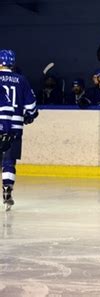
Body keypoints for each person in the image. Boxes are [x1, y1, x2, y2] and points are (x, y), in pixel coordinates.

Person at [0, 49, 38, 211]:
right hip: (15, 125)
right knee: (9, 160)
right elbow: (31, 106)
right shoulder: (21, 80)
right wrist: (30, 116)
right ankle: (7, 187)